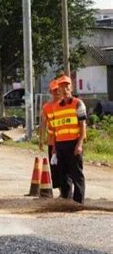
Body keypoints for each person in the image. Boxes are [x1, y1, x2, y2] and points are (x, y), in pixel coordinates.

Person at [51, 75, 87, 204]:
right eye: (62, 87)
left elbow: (82, 125)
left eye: (67, 86)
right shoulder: (55, 107)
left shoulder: (78, 103)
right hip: (60, 144)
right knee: (63, 174)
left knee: (77, 174)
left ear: (71, 87)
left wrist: (79, 144)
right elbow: (55, 129)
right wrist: (54, 148)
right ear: (58, 89)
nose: (65, 89)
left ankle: (78, 202)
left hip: (74, 143)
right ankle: (66, 201)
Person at [39, 79, 62, 194]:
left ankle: (67, 191)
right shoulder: (47, 107)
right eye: (54, 91)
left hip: (65, 141)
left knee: (66, 167)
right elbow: (43, 124)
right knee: (55, 167)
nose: (57, 92)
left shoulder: (67, 104)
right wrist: (41, 140)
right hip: (52, 142)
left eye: (58, 90)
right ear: (50, 92)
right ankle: (62, 191)